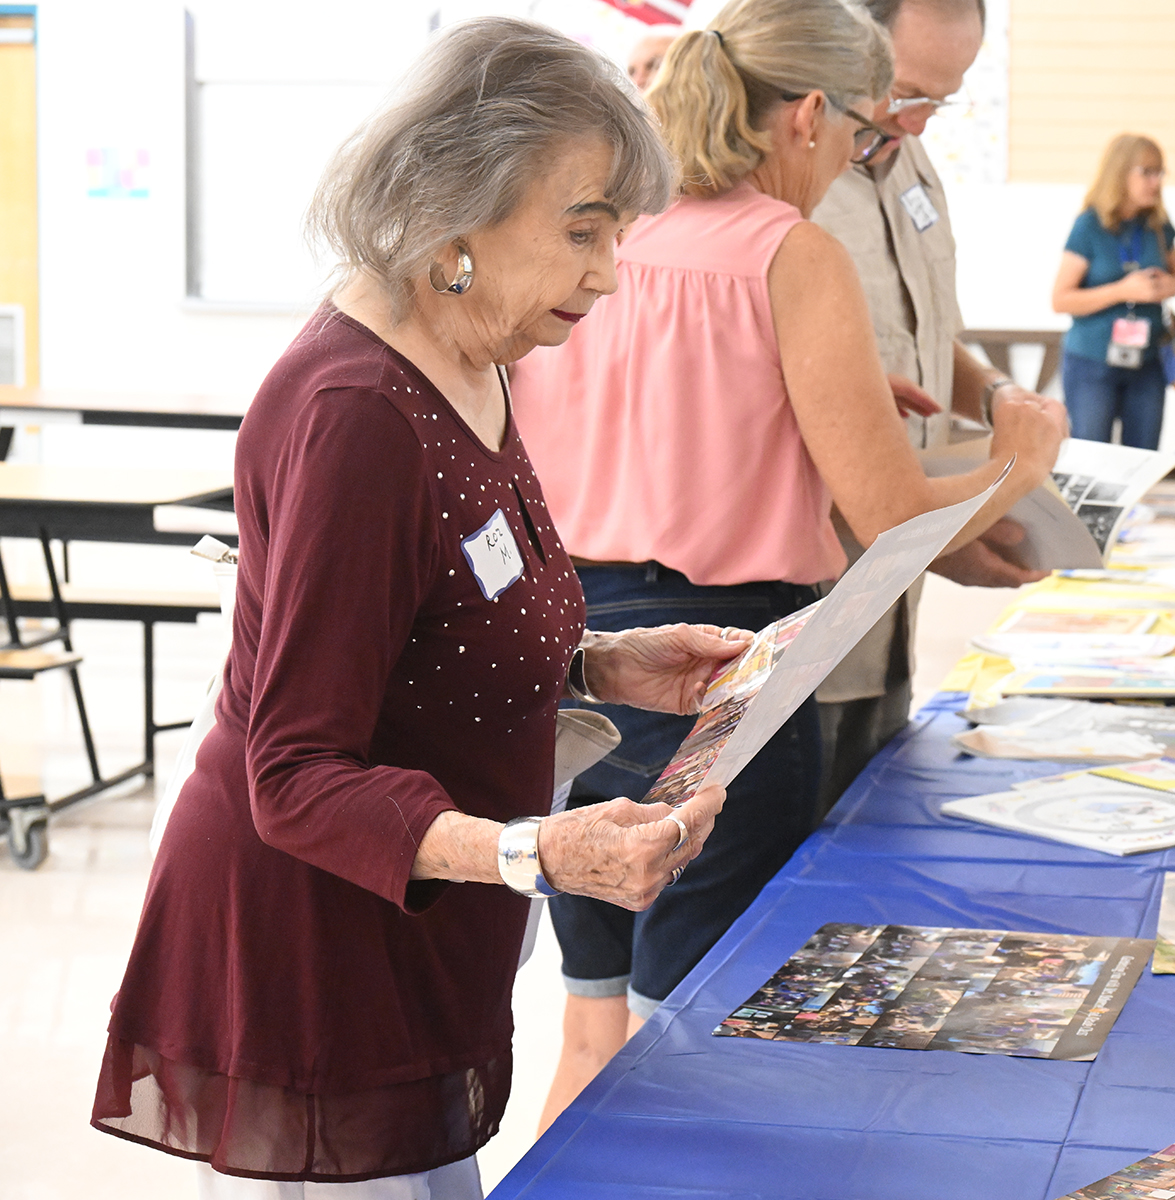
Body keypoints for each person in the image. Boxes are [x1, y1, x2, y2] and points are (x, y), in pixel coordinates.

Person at [90, 19, 737, 1196]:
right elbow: (294, 773)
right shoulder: (358, 416)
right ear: (456, 215)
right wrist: (539, 849)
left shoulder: (472, 351)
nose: (605, 272)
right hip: (317, 945)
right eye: (581, 231)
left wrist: (602, 662)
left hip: (418, 926)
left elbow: (435, 616)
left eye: (616, 235)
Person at [508, 0, 1064, 1131]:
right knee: (689, 1041)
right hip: (725, 667)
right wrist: (1019, 463)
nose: (867, 156)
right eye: (864, 134)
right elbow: (893, 512)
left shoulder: (602, 235)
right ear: (809, 116)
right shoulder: (786, 249)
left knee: (591, 1025)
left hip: (578, 659)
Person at [810, 0, 1063, 813]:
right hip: (807, 592)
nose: (916, 122)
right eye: (905, 91)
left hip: (892, 590)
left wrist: (996, 395)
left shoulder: (913, 166)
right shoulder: (795, 182)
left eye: (941, 100)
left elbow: (929, 332)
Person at [1051, 133, 1175, 449]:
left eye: (1160, 173)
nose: (1156, 182)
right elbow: (1060, 299)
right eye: (1147, 172)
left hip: (1147, 363)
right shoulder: (1089, 226)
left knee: (1142, 458)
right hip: (1092, 363)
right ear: (1120, 173)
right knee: (1091, 458)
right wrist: (1123, 291)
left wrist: (1168, 286)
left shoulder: (1157, 226)